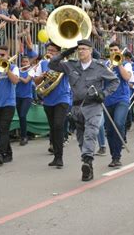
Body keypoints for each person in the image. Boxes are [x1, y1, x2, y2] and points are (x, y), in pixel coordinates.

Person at [48, 39, 119, 181]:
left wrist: (103, 94)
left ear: (91, 50)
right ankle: (88, 164)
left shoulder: (99, 66)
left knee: (91, 132)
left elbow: (114, 81)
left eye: (84, 49)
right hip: (76, 107)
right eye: (79, 49)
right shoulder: (71, 65)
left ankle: (87, 160)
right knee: (81, 138)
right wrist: (65, 53)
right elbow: (52, 64)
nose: (81, 51)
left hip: (93, 105)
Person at [35, 43, 71, 169]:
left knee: (58, 125)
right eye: (48, 50)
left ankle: (60, 157)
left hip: (62, 97)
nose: (49, 52)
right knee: (53, 128)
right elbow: (36, 81)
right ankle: (56, 156)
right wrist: (42, 76)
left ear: (58, 52)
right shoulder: (42, 63)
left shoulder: (65, 63)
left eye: (53, 51)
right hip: (48, 98)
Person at [104, 42, 133, 168]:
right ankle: (114, 157)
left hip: (122, 98)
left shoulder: (126, 64)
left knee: (119, 123)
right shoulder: (105, 65)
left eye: (115, 49)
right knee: (109, 130)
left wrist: (119, 64)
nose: (113, 52)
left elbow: (127, 78)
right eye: (111, 50)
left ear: (120, 51)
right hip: (108, 100)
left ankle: (118, 151)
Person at [16, 55, 35, 146]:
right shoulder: (18, 70)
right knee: (20, 116)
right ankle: (23, 134)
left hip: (27, 97)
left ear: (29, 63)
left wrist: (17, 76)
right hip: (17, 96)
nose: (24, 63)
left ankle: (24, 137)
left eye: (26, 62)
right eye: (23, 62)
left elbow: (26, 81)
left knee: (23, 115)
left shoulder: (31, 71)